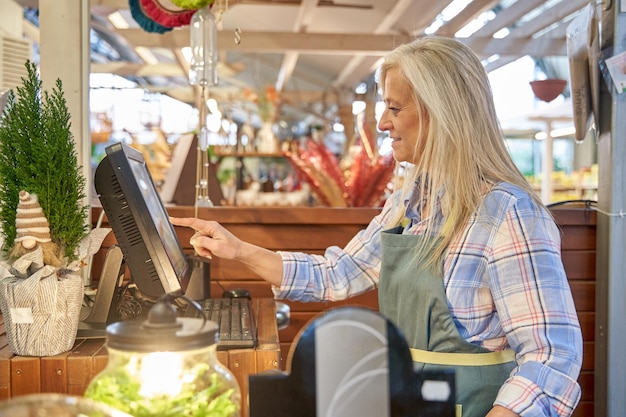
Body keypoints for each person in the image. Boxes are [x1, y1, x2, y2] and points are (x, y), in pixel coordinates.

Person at [170, 35, 582, 417]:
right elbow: (338, 274)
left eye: (395, 108)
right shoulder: (409, 203)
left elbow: (551, 359)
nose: (382, 123)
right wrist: (239, 250)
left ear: (442, 112)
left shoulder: (506, 213)